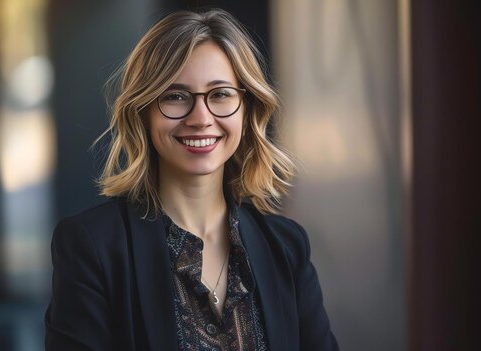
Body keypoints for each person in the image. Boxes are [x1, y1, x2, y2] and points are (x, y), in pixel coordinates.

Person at [44, 8, 338, 351]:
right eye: (175, 96)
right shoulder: (92, 246)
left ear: (248, 108)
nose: (200, 118)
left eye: (221, 94)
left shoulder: (287, 247)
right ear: (144, 111)